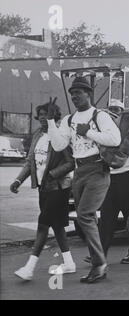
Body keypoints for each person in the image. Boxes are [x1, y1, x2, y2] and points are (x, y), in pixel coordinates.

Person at [47, 77, 121, 283]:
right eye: (72, 94)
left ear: (88, 94)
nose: (74, 97)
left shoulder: (100, 115)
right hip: (79, 172)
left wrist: (87, 131)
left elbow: (115, 139)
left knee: (85, 215)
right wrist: (51, 121)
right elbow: (59, 145)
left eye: (78, 93)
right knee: (86, 218)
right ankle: (98, 264)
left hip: (98, 169)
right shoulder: (69, 119)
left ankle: (99, 264)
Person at [12, 101, 75, 280]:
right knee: (57, 226)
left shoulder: (62, 135)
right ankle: (69, 263)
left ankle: (29, 268)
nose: (42, 119)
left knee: (42, 225)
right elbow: (30, 161)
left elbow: (71, 162)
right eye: (39, 116)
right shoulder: (38, 135)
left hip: (58, 188)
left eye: (45, 116)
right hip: (43, 189)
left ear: (54, 116)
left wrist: (54, 174)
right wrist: (18, 179)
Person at [98, 99, 129, 263]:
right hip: (110, 179)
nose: (113, 113)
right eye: (110, 110)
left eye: (116, 110)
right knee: (106, 219)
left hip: (128, 179)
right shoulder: (106, 134)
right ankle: (99, 255)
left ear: (122, 113)